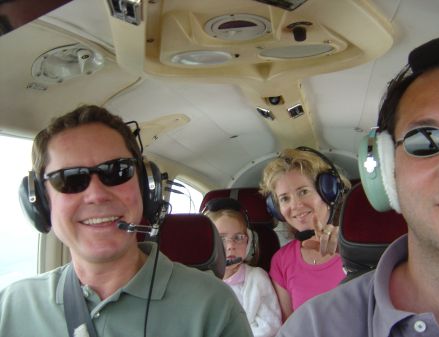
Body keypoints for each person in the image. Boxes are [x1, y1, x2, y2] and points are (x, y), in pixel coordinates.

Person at [0, 105, 253, 337]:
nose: (97, 195)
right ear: (40, 202)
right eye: (69, 179)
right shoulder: (11, 307)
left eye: (117, 171)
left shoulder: (213, 306)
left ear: (145, 186)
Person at [276, 35, 439, 337]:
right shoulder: (312, 328)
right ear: (385, 171)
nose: (295, 206)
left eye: (303, 191)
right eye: (427, 141)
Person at [259, 147, 351, 321]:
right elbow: (290, 328)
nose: (295, 205)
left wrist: (351, 253)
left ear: (328, 192)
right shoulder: (281, 261)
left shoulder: (361, 246)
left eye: (303, 191)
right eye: (285, 198)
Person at [204, 197, 282, 337]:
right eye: (221, 238)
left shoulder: (257, 279)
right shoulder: (198, 281)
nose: (231, 246)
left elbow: (270, 326)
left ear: (250, 241)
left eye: (239, 237)